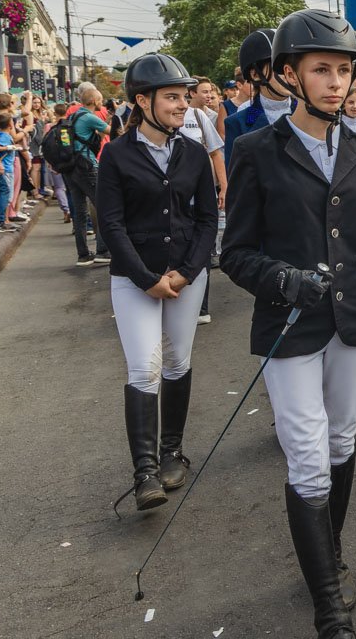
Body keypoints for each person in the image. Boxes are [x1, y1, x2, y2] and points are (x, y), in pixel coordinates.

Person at [223, 9, 356, 638]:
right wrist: (286, 280)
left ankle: (329, 558)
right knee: (306, 458)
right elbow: (236, 252)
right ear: (288, 75)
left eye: (345, 70)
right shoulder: (253, 152)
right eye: (322, 69)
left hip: (355, 320)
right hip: (290, 326)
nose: (337, 82)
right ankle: (328, 605)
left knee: (341, 445)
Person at [98, 53, 218, 511]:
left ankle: (172, 452)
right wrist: (147, 279)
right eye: (172, 97)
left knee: (176, 361)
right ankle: (145, 471)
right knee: (142, 368)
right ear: (142, 101)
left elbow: (208, 219)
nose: (183, 105)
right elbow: (111, 225)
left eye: (185, 97)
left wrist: (187, 273)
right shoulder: (116, 154)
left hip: (187, 275)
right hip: (135, 279)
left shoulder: (192, 152)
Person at [177, 91, 227, 325]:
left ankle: (201, 305)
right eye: (205, 92)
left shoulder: (203, 116)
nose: (210, 96)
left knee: (203, 242)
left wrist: (224, 186)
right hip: (175, 196)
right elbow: (230, 135)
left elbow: (217, 150)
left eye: (212, 92)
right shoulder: (239, 111)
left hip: (203, 188)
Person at [223, 29, 295, 163]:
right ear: (255, 74)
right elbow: (238, 179)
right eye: (279, 67)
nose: (288, 73)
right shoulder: (238, 123)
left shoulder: (310, 113)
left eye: (292, 66)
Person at [65, 91, 111, 265]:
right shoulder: (89, 117)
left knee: (79, 211)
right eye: (100, 99)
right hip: (87, 166)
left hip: (70, 168)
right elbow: (113, 132)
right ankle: (102, 251)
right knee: (104, 206)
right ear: (93, 101)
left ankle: (83, 254)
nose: (102, 102)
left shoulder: (74, 115)